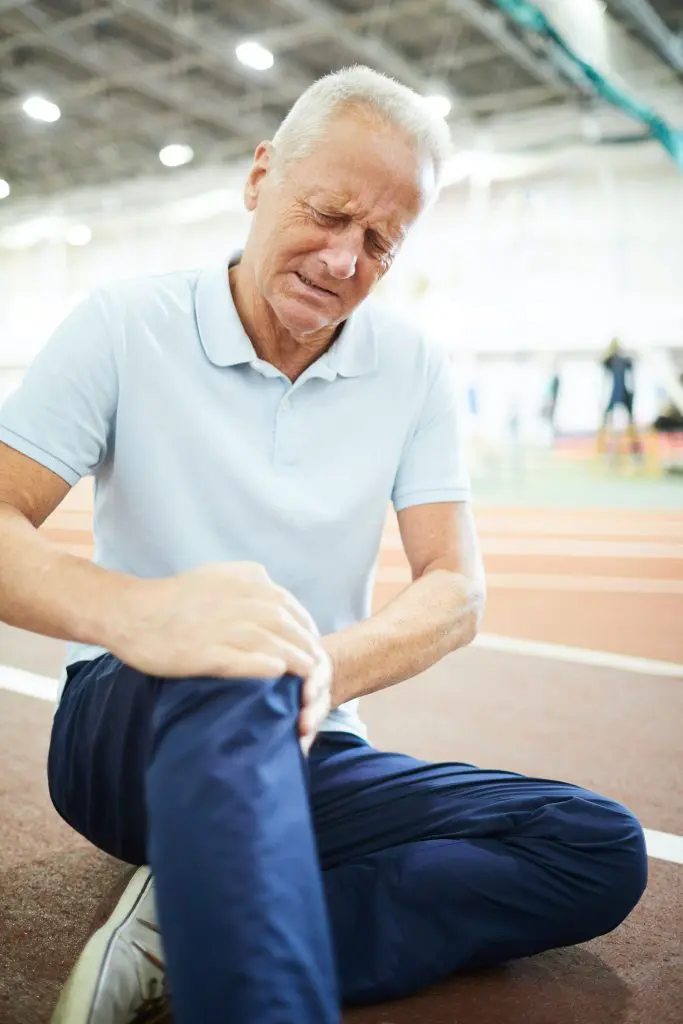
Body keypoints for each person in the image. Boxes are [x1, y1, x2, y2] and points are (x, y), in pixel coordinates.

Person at [0, 66, 647, 1024]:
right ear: (261, 177)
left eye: (380, 240)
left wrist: (318, 671)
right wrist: (149, 616)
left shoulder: (413, 367)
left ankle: (188, 921)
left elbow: (455, 588)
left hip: (306, 730)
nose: (345, 260)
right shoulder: (124, 323)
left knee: (592, 846)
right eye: (329, 213)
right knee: (236, 653)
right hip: (121, 720)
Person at [598, 338, 641, 456]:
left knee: (629, 423)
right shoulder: (611, 360)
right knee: (609, 421)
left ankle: (634, 452)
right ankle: (608, 451)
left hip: (622, 394)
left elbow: (631, 371)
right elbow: (602, 362)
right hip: (618, 394)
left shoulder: (622, 360)